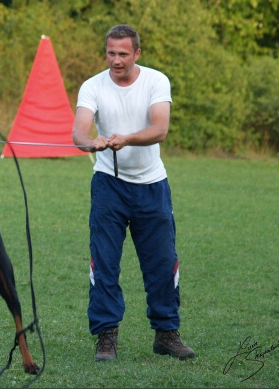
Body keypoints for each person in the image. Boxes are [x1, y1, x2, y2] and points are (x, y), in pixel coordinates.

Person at [72, 24, 194, 362]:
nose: (116, 60)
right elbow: (79, 130)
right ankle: (106, 337)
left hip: (152, 186)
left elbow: (160, 128)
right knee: (105, 263)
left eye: (123, 53)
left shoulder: (156, 81)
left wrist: (124, 138)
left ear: (137, 53)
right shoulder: (92, 86)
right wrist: (89, 142)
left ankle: (167, 334)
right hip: (108, 186)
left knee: (162, 262)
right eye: (111, 53)